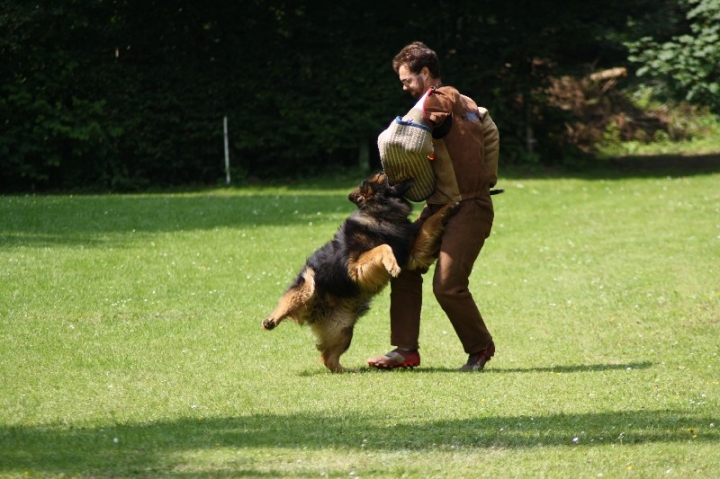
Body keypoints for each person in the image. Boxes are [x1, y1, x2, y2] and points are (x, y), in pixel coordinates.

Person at [367, 41, 499, 371]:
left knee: (448, 285)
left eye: (406, 80)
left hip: (469, 209)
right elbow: (490, 130)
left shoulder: (437, 99)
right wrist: (488, 175)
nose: (404, 87)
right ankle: (405, 349)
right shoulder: (470, 104)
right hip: (442, 206)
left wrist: (397, 166)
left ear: (425, 73)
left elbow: (395, 138)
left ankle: (480, 349)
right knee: (404, 266)